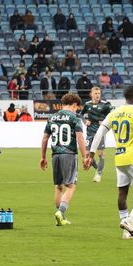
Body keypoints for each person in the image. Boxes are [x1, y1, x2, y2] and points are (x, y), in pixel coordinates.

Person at [87, 86, 133, 239]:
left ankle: (126, 232)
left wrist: (91, 154)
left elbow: (99, 132)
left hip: (119, 158)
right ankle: (129, 220)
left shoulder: (114, 112)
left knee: (123, 193)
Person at [40, 93, 89, 226]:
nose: (77, 110)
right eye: (77, 107)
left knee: (58, 186)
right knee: (71, 186)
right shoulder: (75, 118)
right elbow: (80, 137)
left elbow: (45, 138)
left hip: (55, 155)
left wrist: (43, 157)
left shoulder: (52, 117)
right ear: (74, 104)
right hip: (69, 154)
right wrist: (85, 157)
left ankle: (60, 217)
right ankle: (61, 212)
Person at [81, 87, 112, 183]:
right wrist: (85, 121)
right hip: (90, 132)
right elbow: (81, 115)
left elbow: (111, 116)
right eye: (96, 93)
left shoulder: (105, 104)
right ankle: (98, 169)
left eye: (99, 93)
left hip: (100, 131)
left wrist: (104, 121)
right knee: (87, 155)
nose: (98, 95)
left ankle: (98, 174)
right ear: (91, 94)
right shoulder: (87, 105)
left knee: (100, 154)